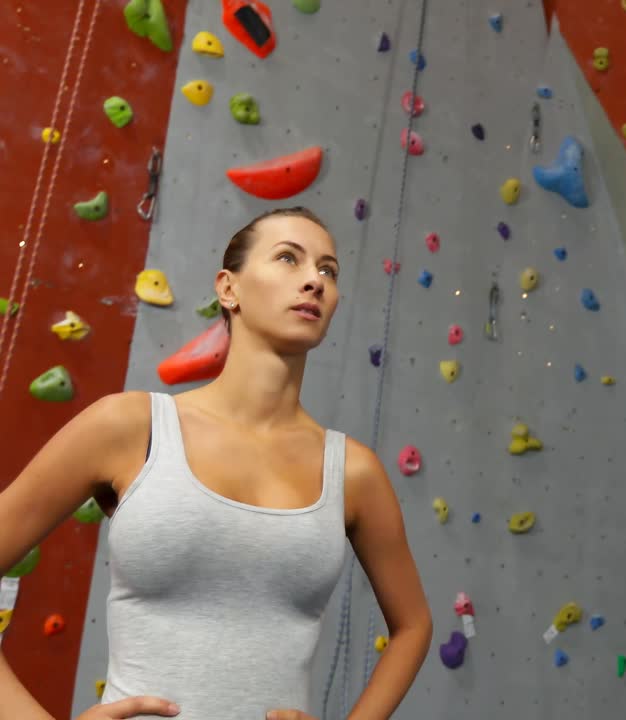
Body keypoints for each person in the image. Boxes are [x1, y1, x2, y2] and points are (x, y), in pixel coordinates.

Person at [0, 207, 432, 719]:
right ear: (229, 289)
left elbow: (414, 626)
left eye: (327, 270)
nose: (314, 281)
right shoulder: (129, 427)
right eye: (288, 258)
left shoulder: (354, 473)